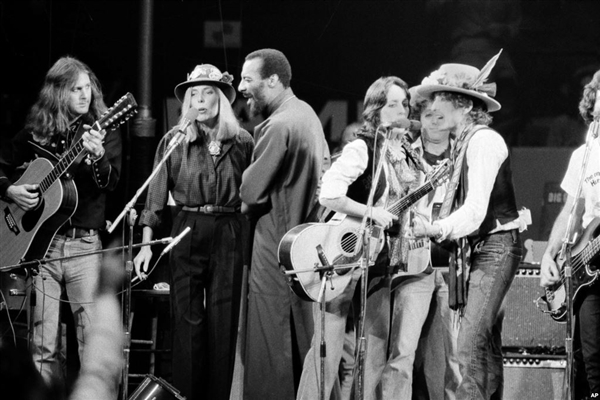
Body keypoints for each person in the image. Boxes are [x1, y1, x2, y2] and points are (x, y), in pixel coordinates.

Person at [0, 56, 122, 391]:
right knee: (42, 340)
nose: (84, 95)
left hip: (84, 246)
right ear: (58, 94)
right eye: (75, 89)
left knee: (90, 337)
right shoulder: (35, 133)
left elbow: (111, 182)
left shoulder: (103, 129)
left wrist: (97, 157)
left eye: (87, 88)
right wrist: (10, 188)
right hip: (43, 247)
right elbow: (2, 166)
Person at [297, 75, 422, 400]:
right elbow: (329, 194)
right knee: (327, 351)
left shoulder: (405, 150)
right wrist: (371, 213)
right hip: (343, 255)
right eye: (392, 103)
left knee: (376, 349)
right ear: (376, 108)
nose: (400, 109)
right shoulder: (363, 147)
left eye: (404, 103)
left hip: (380, 257)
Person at [134, 64, 254, 400]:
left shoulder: (242, 140)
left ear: (221, 97)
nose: (200, 100)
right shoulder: (175, 140)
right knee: (187, 320)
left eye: (208, 92)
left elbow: (255, 192)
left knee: (223, 320)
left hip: (229, 227)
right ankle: (186, 395)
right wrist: (146, 245)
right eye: (194, 94)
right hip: (187, 224)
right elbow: (156, 195)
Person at [412, 56, 526, 399]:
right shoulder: (463, 142)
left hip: (495, 248)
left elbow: (476, 211)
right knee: (484, 346)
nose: (432, 107)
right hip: (479, 251)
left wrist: (435, 229)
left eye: (440, 99)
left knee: (468, 346)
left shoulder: (483, 141)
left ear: (462, 103)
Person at [238, 48, 330, 400]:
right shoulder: (306, 114)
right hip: (302, 243)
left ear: (273, 80)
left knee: (268, 345)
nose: (243, 87)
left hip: (274, 243)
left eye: (249, 79)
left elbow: (250, 191)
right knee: (299, 339)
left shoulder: (277, 124)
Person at [379, 86, 460, 399]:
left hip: (454, 266)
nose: (436, 121)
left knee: (457, 355)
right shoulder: (404, 154)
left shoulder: (466, 152)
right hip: (414, 266)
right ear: (418, 118)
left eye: (442, 115)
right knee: (402, 350)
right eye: (429, 115)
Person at [540, 69, 600, 400]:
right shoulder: (585, 154)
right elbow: (570, 210)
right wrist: (550, 253)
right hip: (588, 265)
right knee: (588, 363)